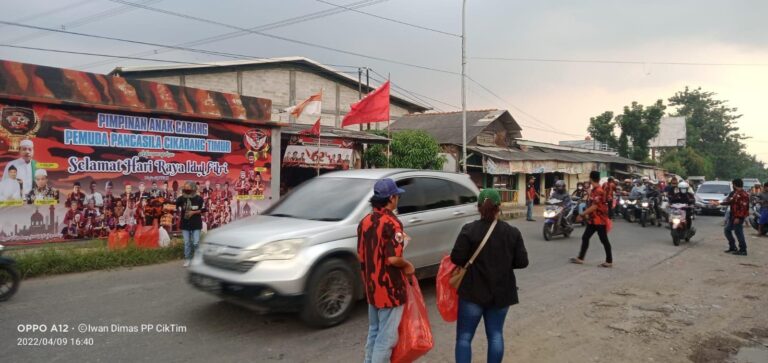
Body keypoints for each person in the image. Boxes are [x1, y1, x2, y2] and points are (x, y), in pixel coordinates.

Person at [450, 188, 528, 363]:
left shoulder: (468, 230)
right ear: (499, 207)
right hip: (501, 293)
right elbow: (522, 262)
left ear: (478, 207)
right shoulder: (512, 232)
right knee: (495, 335)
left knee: (464, 337)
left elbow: (456, 258)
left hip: (472, 293)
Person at [357, 178, 414, 363]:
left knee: (374, 331)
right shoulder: (392, 223)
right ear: (391, 198)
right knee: (386, 338)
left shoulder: (364, 222)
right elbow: (393, 259)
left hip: (372, 288)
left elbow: (361, 256)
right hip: (390, 290)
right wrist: (407, 265)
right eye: (396, 196)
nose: (398, 199)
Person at [571, 171, 613, 267]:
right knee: (585, 237)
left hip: (600, 221)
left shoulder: (599, 191)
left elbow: (595, 206)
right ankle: (580, 258)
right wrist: (587, 214)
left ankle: (609, 261)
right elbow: (590, 204)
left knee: (604, 240)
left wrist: (582, 214)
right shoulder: (593, 190)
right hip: (593, 220)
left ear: (591, 179)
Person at [177, 181, 206, 267]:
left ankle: (198, 258)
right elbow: (174, 205)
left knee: (196, 242)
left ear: (193, 188)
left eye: (188, 187)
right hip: (185, 224)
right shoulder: (182, 198)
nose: (186, 189)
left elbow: (204, 210)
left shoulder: (199, 199)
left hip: (196, 223)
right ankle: (187, 259)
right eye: (185, 187)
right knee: (187, 242)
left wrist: (193, 212)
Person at [721, 179, 750, 256]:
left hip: (738, 217)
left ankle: (743, 250)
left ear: (734, 184)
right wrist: (719, 203)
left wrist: (738, 217)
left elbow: (743, 208)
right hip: (733, 215)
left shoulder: (744, 194)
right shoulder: (736, 193)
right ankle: (733, 246)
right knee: (727, 230)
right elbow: (731, 202)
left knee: (739, 232)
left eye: (733, 184)